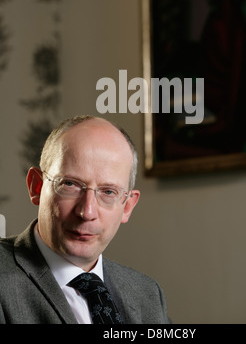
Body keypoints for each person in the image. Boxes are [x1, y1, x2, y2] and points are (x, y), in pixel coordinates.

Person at [0, 115, 171, 324]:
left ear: (127, 206)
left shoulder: (148, 294)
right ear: (36, 186)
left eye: (108, 191)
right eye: (70, 184)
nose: (87, 212)